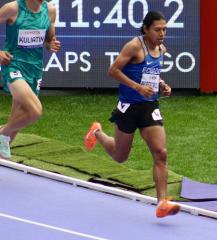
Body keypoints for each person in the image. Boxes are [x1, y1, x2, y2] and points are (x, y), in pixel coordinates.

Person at [84, 11, 180, 218]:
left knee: (160, 152)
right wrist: (137, 87)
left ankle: (162, 202)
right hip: (128, 106)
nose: (162, 33)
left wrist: (161, 85)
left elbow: (152, 73)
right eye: (157, 29)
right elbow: (113, 71)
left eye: (164, 29)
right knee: (120, 156)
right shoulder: (134, 46)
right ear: (145, 29)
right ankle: (97, 133)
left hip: (149, 106)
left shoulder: (161, 48)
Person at [0, 0, 60, 181]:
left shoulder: (50, 10)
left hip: (35, 69)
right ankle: (2, 132)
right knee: (35, 111)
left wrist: (50, 45)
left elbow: (47, 40)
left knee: (17, 120)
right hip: (13, 65)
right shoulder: (13, 8)